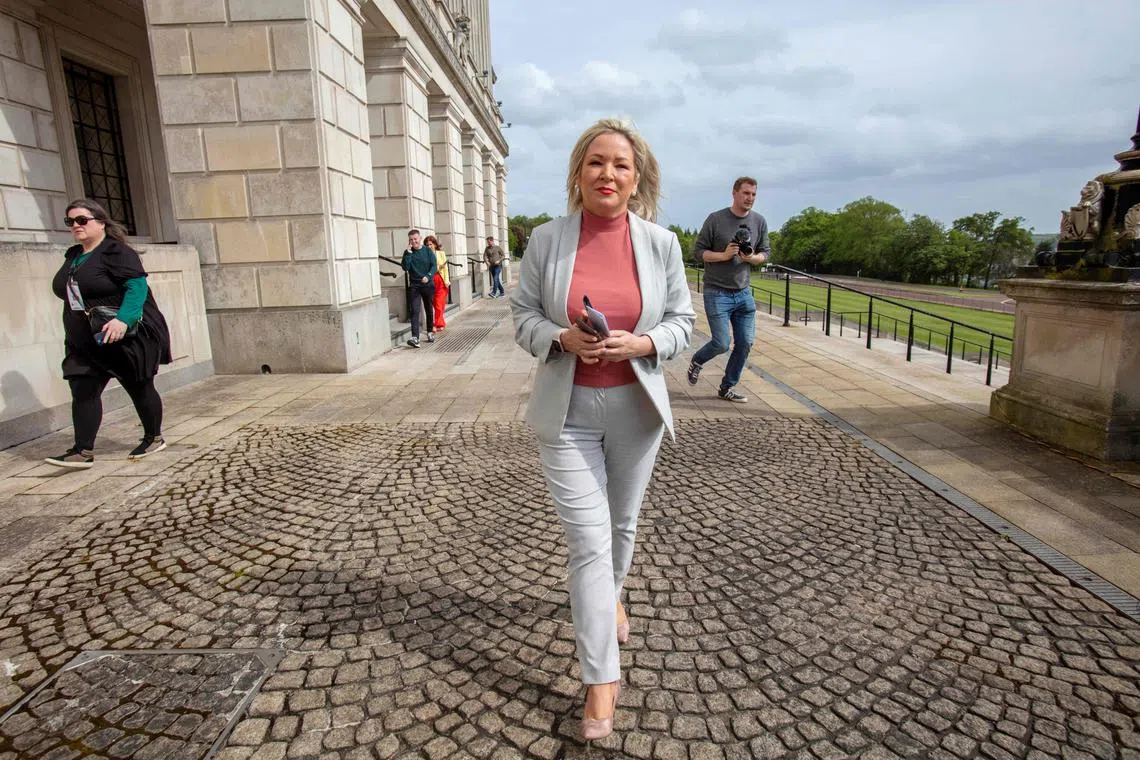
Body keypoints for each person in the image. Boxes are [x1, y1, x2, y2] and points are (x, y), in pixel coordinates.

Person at [510, 118, 694, 741]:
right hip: (566, 414)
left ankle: (614, 598)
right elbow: (522, 316)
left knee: (621, 525)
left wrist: (641, 341)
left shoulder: (662, 243)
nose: (607, 174)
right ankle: (601, 681)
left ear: (636, 178)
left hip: (636, 409)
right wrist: (560, 338)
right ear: (578, 173)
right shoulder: (546, 239)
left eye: (620, 164)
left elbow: (682, 322)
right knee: (588, 541)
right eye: (596, 162)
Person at [45, 199, 173, 469]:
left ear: (100, 222)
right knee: (83, 389)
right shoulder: (73, 257)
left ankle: (153, 437)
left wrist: (122, 321)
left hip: (120, 337)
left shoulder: (117, 252)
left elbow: (137, 288)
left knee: (139, 386)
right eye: (70, 222)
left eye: (82, 220)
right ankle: (83, 451)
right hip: (84, 340)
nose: (75, 226)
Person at [686, 177, 770, 403]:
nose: (750, 198)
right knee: (722, 343)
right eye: (745, 193)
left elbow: (765, 253)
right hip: (717, 292)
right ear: (734, 193)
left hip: (743, 293)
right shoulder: (716, 219)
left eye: (753, 194)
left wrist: (752, 258)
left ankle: (727, 387)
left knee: (745, 343)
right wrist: (723, 255)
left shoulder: (759, 221)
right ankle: (697, 360)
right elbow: (698, 252)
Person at [401, 229, 436, 347]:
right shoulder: (407, 253)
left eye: (415, 239)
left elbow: (434, 266)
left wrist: (428, 276)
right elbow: (405, 267)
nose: (413, 241)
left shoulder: (427, 251)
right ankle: (415, 337)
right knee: (415, 310)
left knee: (428, 309)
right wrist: (409, 254)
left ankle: (430, 331)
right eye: (411, 239)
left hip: (427, 284)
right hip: (415, 285)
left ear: (420, 238)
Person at [425, 235, 449, 331]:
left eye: (430, 244)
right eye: (427, 245)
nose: (429, 246)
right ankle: (440, 322)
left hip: (441, 280)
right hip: (431, 280)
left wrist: (447, 280)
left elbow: (446, 269)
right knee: (435, 303)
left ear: (434, 244)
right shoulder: (425, 255)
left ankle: (436, 324)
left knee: (439, 303)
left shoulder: (441, 253)